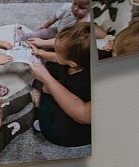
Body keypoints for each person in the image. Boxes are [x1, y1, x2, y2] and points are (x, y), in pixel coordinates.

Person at [31, 21, 93, 149]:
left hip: (71, 129)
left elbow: (83, 113)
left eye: (57, 51)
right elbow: (59, 57)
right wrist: (39, 52)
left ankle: (44, 124)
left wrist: (47, 80)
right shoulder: (81, 61)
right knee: (53, 67)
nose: (54, 52)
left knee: (46, 90)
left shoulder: (83, 83)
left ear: (73, 64)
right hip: (75, 90)